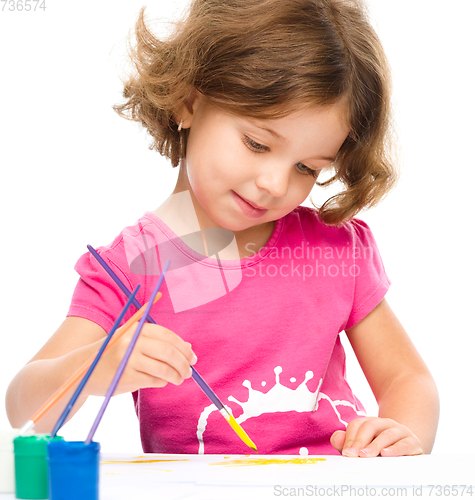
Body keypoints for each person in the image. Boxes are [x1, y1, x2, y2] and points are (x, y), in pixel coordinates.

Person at [6, 0, 439, 457]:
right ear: (187, 100)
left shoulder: (334, 250)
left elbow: (407, 379)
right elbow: (24, 408)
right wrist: (96, 367)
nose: (275, 183)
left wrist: (399, 435)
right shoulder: (131, 268)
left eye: (307, 168)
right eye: (256, 143)